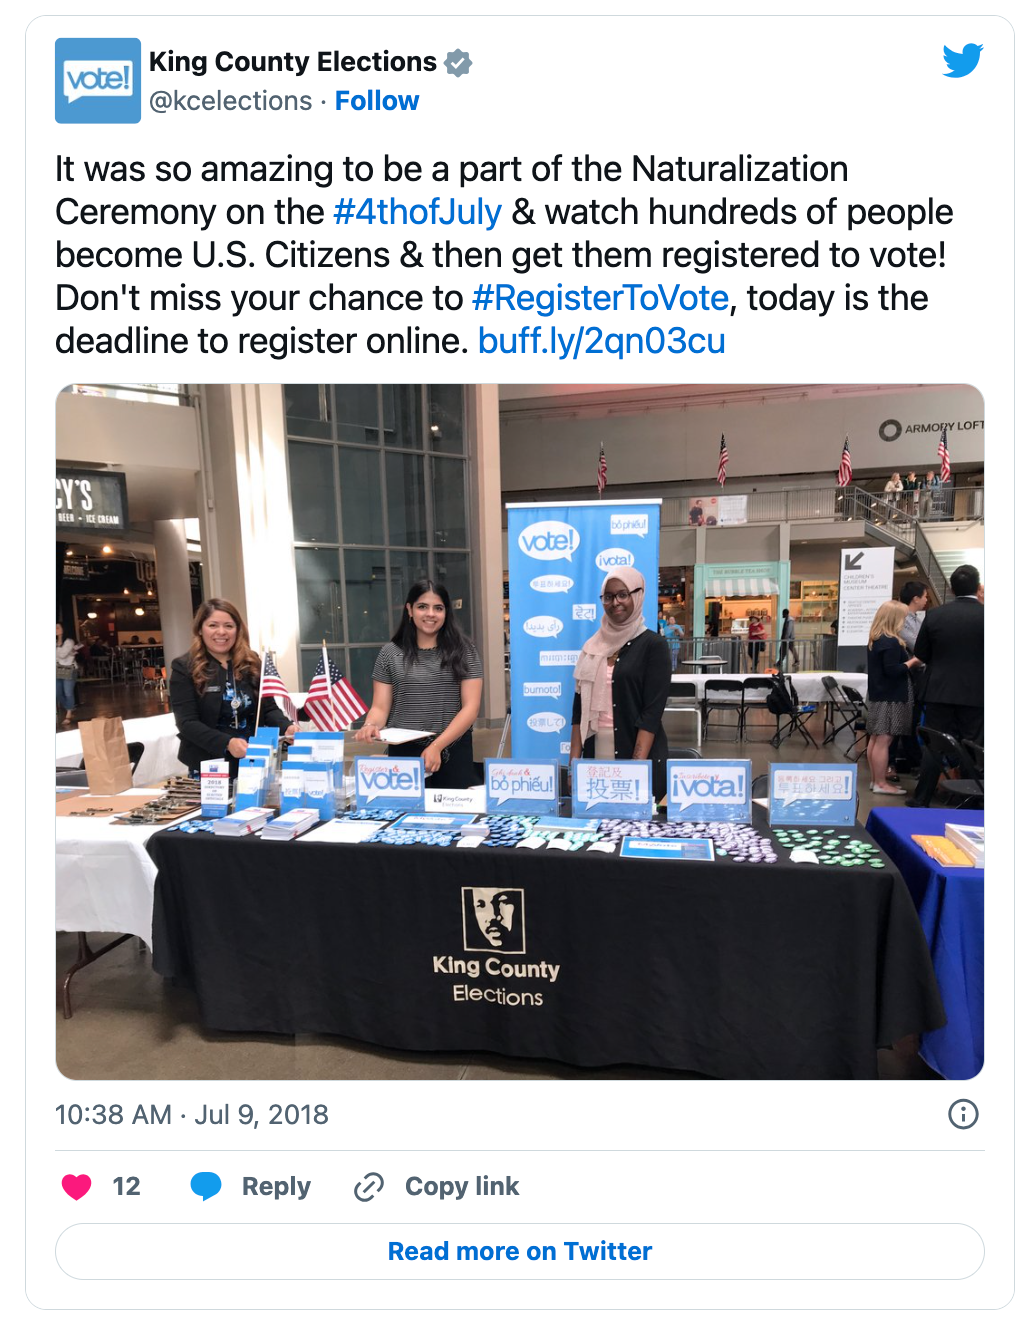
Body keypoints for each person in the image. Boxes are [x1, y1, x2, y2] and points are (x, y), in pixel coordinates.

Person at [356, 580, 483, 789]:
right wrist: (371, 725)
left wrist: (437, 746)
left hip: (452, 749)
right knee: (404, 816)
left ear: (446, 612)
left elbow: (471, 708)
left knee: (452, 818)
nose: (430, 614)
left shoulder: (464, 650)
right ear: (410, 610)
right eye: (422, 606)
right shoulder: (390, 653)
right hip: (404, 752)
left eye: (438, 608)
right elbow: (380, 707)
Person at [569, 569, 671, 802]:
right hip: (596, 751)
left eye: (623, 594)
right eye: (608, 596)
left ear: (638, 594)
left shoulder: (653, 645)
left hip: (638, 754)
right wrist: (574, 763)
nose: (615, 602)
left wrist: (635, 769)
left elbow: (651, 714)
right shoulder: (591, 648)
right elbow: (578, 712)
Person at [169, 598, 296, 775]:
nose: (221, 632)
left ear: (238, 630)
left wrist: (286, 726)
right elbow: (187, 723)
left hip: (255, 762)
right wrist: (227, 743)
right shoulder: (184, 667)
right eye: (213, 625)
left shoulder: (252, 662)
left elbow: (268, 709)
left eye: (229, 626)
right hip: (210, 767)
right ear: (200, 629)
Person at [908, 564, 984, 807]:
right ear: (978, 587)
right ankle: (972, 799)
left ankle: (922, 797)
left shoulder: (935, 615)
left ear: (951, 588)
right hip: (976, 692)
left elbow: (922, 653)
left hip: (939, 690)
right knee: (973, 745)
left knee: (935, 744)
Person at [866, 601, 921, 795]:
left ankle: (876, 781)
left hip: (880, 695)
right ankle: (881, 783)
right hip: (891, 697)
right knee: (884, 739)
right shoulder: (889, 641)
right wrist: (913, 661)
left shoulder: (877, 639)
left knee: (876, 738)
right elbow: (892, 670)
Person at [56, 623, 81, 725]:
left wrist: (57, 649)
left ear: (63, 629)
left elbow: (62, 655)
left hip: (69, 669)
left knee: (68, 692)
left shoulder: (69, 641)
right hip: (57, 669)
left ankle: (69, 713)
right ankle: (70, 707)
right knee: (57, 693)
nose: (55, 629)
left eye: (58, 627)